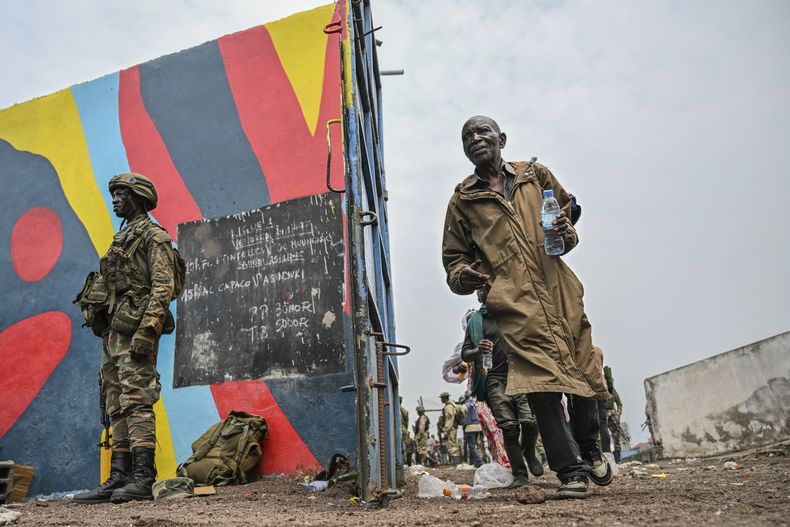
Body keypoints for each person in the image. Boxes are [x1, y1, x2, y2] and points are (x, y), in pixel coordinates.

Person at [442, 116, 612, 499]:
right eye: (467, 135)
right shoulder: (463, 201)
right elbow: (453, 263)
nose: (475, 138)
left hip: (560, 291)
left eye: (482, 131)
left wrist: (566, 233)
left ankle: (589, 446)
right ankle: (571, 472)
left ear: (502, 139)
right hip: (513, 302)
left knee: (586, 375)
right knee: (540, 388)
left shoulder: (535, 176)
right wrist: (463, 276)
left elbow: (566, 221)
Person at [74, 173, 178, 503]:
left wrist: (148, 331)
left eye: (122, 194)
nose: (116, 199)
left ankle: (143, 478)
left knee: (136, 399)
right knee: (115, 402)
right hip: (114, 332)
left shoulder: (153, 236)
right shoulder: (122, 237)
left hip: (136, 331)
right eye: (115, 194)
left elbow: (163, 288)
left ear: (137, 197)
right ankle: (119, 477)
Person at [462, 289, 543, 488]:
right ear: (479, 296)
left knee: (530, 422)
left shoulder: (514, 312)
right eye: (482, 290)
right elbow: (465, 353)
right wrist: (478, 350)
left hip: (520, 375)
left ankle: (529, 452)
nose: (486, 292)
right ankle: (520, 474)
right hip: (494, 379)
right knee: (509, 427)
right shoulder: (475, 322)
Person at [603, 366, 624, 462]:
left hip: (613, 416)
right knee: (602, 437)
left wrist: (618, 414)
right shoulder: (599, 390)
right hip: (602, 416)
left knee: (616, 437)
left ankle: (617, 459)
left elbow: (619, 404)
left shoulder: (613, 391)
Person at [459, 394, 484, 468]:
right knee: (474, 445)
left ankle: (480, 462)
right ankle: (475, 463)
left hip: (470, 427)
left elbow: (462, 411)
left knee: (471, 446)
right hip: (478, 427)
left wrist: (464, 418)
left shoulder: (465, 405)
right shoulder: (475, 404)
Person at [439, 392, 461, 465]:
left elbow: (449, 419)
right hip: (452, 428)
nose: (441, 400)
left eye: (442, 398)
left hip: (451, 428)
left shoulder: (448, 407)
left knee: (452, 446)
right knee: (452, 445)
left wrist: (446, 430)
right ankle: (456, 463)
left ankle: (456, 464)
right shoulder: (450, 405)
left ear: (444, 398)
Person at [400, 397, 411, 464]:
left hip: (401, 430)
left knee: (402, 446)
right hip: (403, 429)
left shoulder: (397, 409)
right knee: (403, 446)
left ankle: (403, 462)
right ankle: (403, 461)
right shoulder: (403, 410)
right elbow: (406, 421)